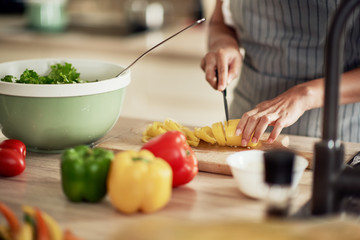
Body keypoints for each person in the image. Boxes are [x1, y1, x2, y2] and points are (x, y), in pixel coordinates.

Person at [201, 0, 360, 146]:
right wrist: (223, 43)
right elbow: (219, 22)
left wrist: (307, 94)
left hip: (334, 134)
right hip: (244, 122)